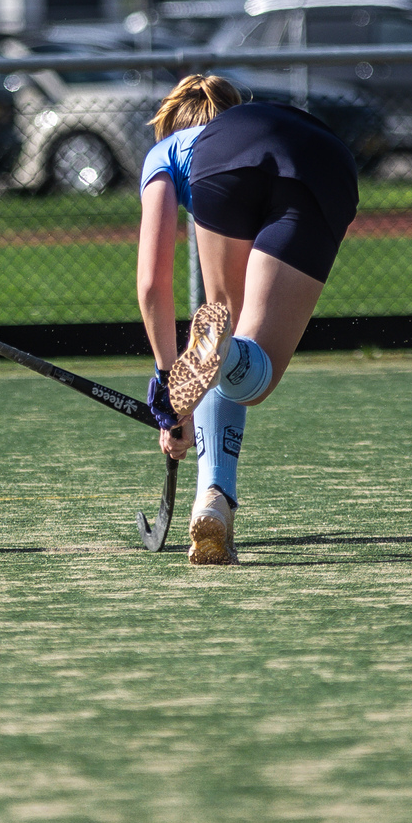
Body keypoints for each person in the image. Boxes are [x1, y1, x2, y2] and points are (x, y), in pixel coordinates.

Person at [136, 73, 359, 566]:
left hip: (225, 166)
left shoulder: (169, 150)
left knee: (242, 366)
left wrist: (168, 381)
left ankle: (213, 489)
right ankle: (215, 502)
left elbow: (153, 283)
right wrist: (183, 387)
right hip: (326, 159)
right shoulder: (241, 122)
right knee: (242, 362)